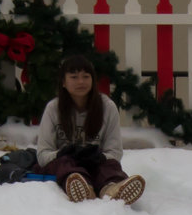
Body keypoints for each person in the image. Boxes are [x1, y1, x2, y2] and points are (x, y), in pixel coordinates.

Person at [34, 56, 144, 204]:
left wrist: (100, 157)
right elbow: (42, 155)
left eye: (86, 76)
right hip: (65, 167)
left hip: (97, 164)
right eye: (74, 77)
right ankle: (82, 188)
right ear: (63, 82)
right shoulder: (53, 108)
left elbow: (115, 152)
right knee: (66, 164)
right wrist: (63, 153)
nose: (81, 82)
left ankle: (112, 190)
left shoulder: (108, 107)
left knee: (109, 167)